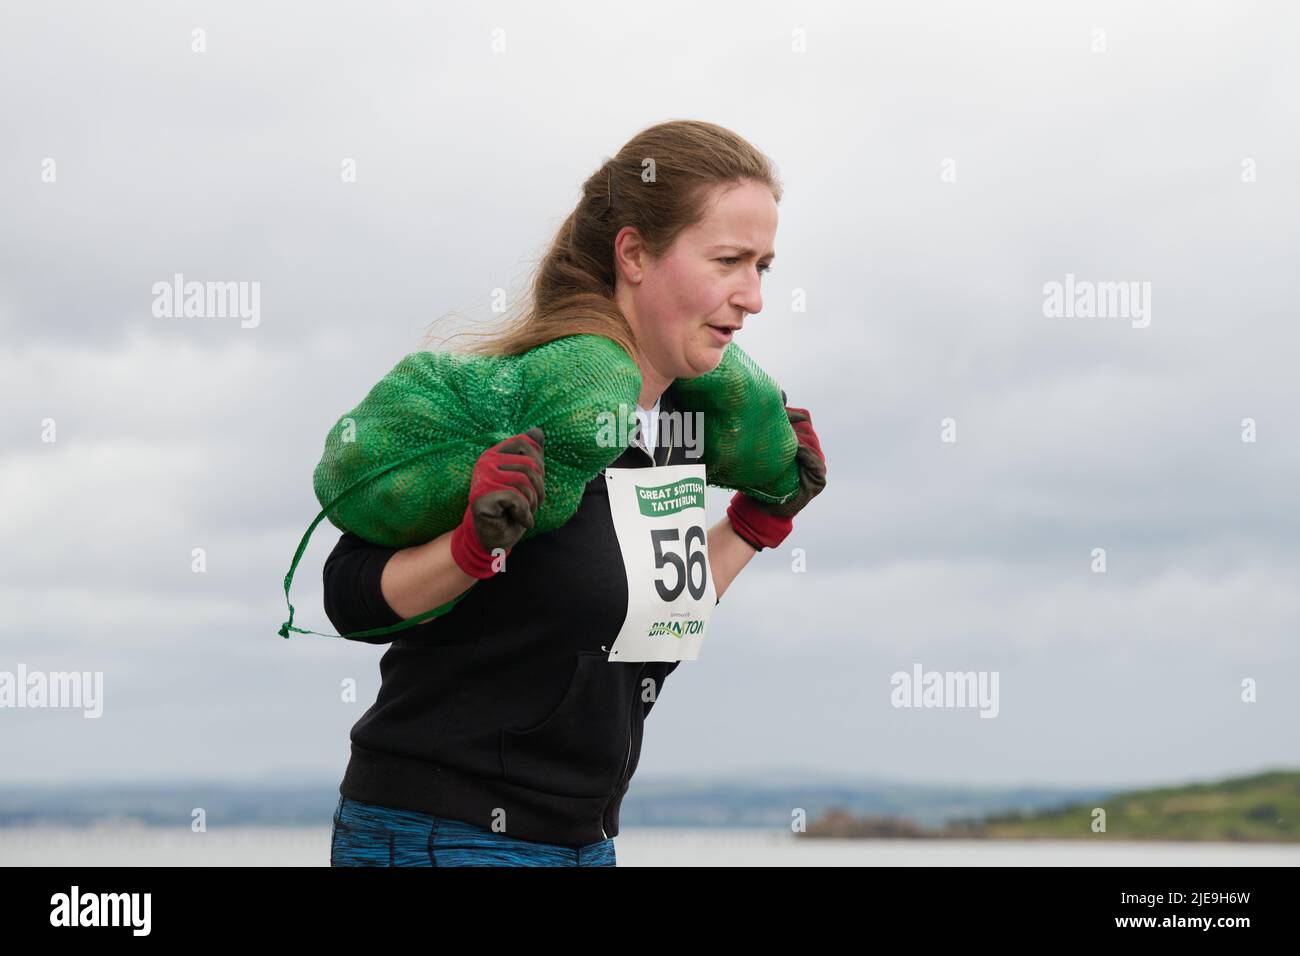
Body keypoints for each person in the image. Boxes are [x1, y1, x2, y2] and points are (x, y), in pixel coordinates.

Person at [323, 119, 827, 866]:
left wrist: (757, 521)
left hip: (583, 842)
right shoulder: (537, 407)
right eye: (728, 261)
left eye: (764, 267)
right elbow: (349, 595)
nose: (751, 296)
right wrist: (472, 549)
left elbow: (639, 624)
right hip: (441, 834)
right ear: (634, 254)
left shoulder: (682, 428)